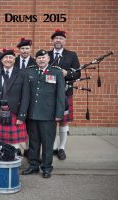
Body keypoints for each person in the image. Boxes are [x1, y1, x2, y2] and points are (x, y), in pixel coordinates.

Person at [22, 49, 65, 178]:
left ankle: (47, 168)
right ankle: (34, 165)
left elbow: (60, 95)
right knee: (34, 142)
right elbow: (25, 94)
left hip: (48, 114)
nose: (41, 60)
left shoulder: (56, 72)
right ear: (36, 59)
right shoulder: (30, 71)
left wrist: (59, 113)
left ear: (48, 59)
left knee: (47, 143)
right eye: (39, 58)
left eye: (44, 57)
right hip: (32, 114)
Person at [48, 28, 81, 160]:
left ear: (64, 41)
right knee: (50, 121)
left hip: (66, 92)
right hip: (49, 94)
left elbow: (78, 73)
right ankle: (54, 146)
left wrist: (67, 73)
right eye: (56, 38)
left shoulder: (71, 55)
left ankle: (61, 148)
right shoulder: (47, 55)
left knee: (63, 121)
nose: (58, 40)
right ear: (53, 40)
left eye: (61, 38)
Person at [0, 49, 29, 154]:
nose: (8, 60)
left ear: (14, 60)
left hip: (14, 111)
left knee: (15, 142)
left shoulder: (22, 73)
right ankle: (3, 157)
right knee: (1, 140)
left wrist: (21, 116)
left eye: (10, 58)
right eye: (5, 58)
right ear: (1, 60)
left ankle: (14, 160)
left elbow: (25, 96)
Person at [14, 37, 36, 157]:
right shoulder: (14, 61)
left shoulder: (35, 62)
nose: (24, 51)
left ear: (30, 49)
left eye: (27, 48)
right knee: (16, 123)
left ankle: (28, 148)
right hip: (16, 98)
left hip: (31, 97)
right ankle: (17, 147)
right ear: (19, 50)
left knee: (29, 125)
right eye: (22, 48)